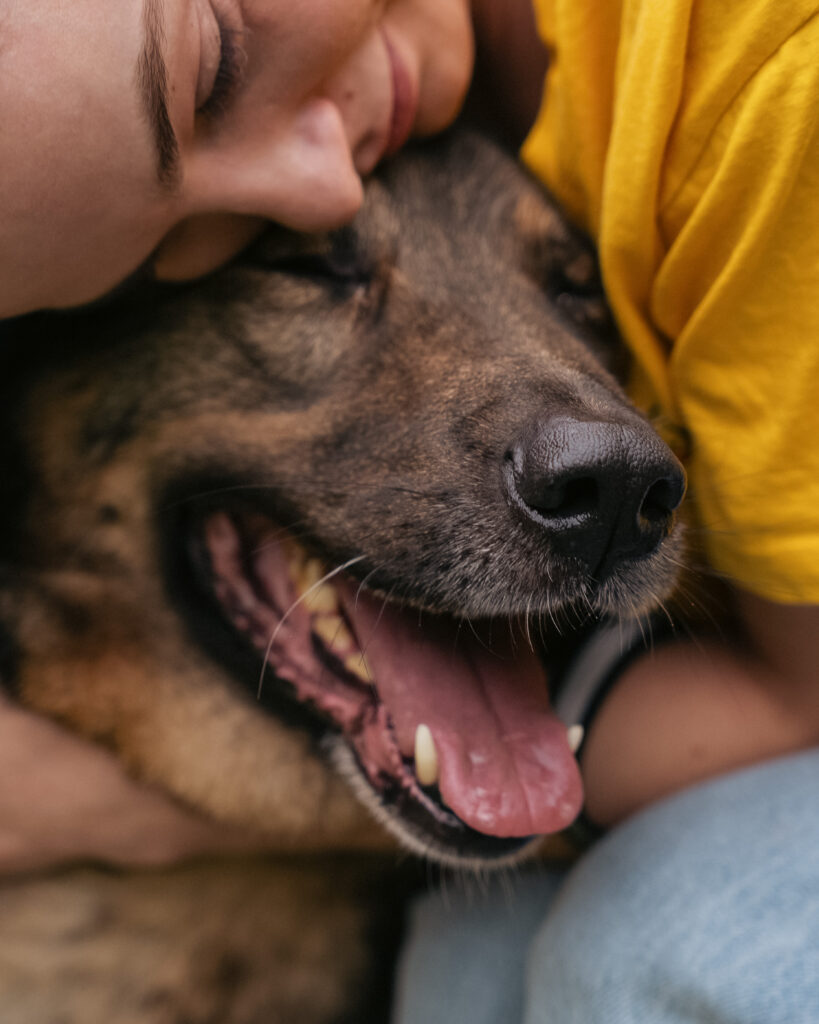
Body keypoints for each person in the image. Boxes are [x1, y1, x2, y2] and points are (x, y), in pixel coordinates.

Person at [0, 0, 816, 1013]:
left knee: (627, 954)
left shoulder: (758, 87)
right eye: (304, 264)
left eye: (575, 292)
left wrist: (74, 804)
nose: (316, 171)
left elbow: (797, 701)